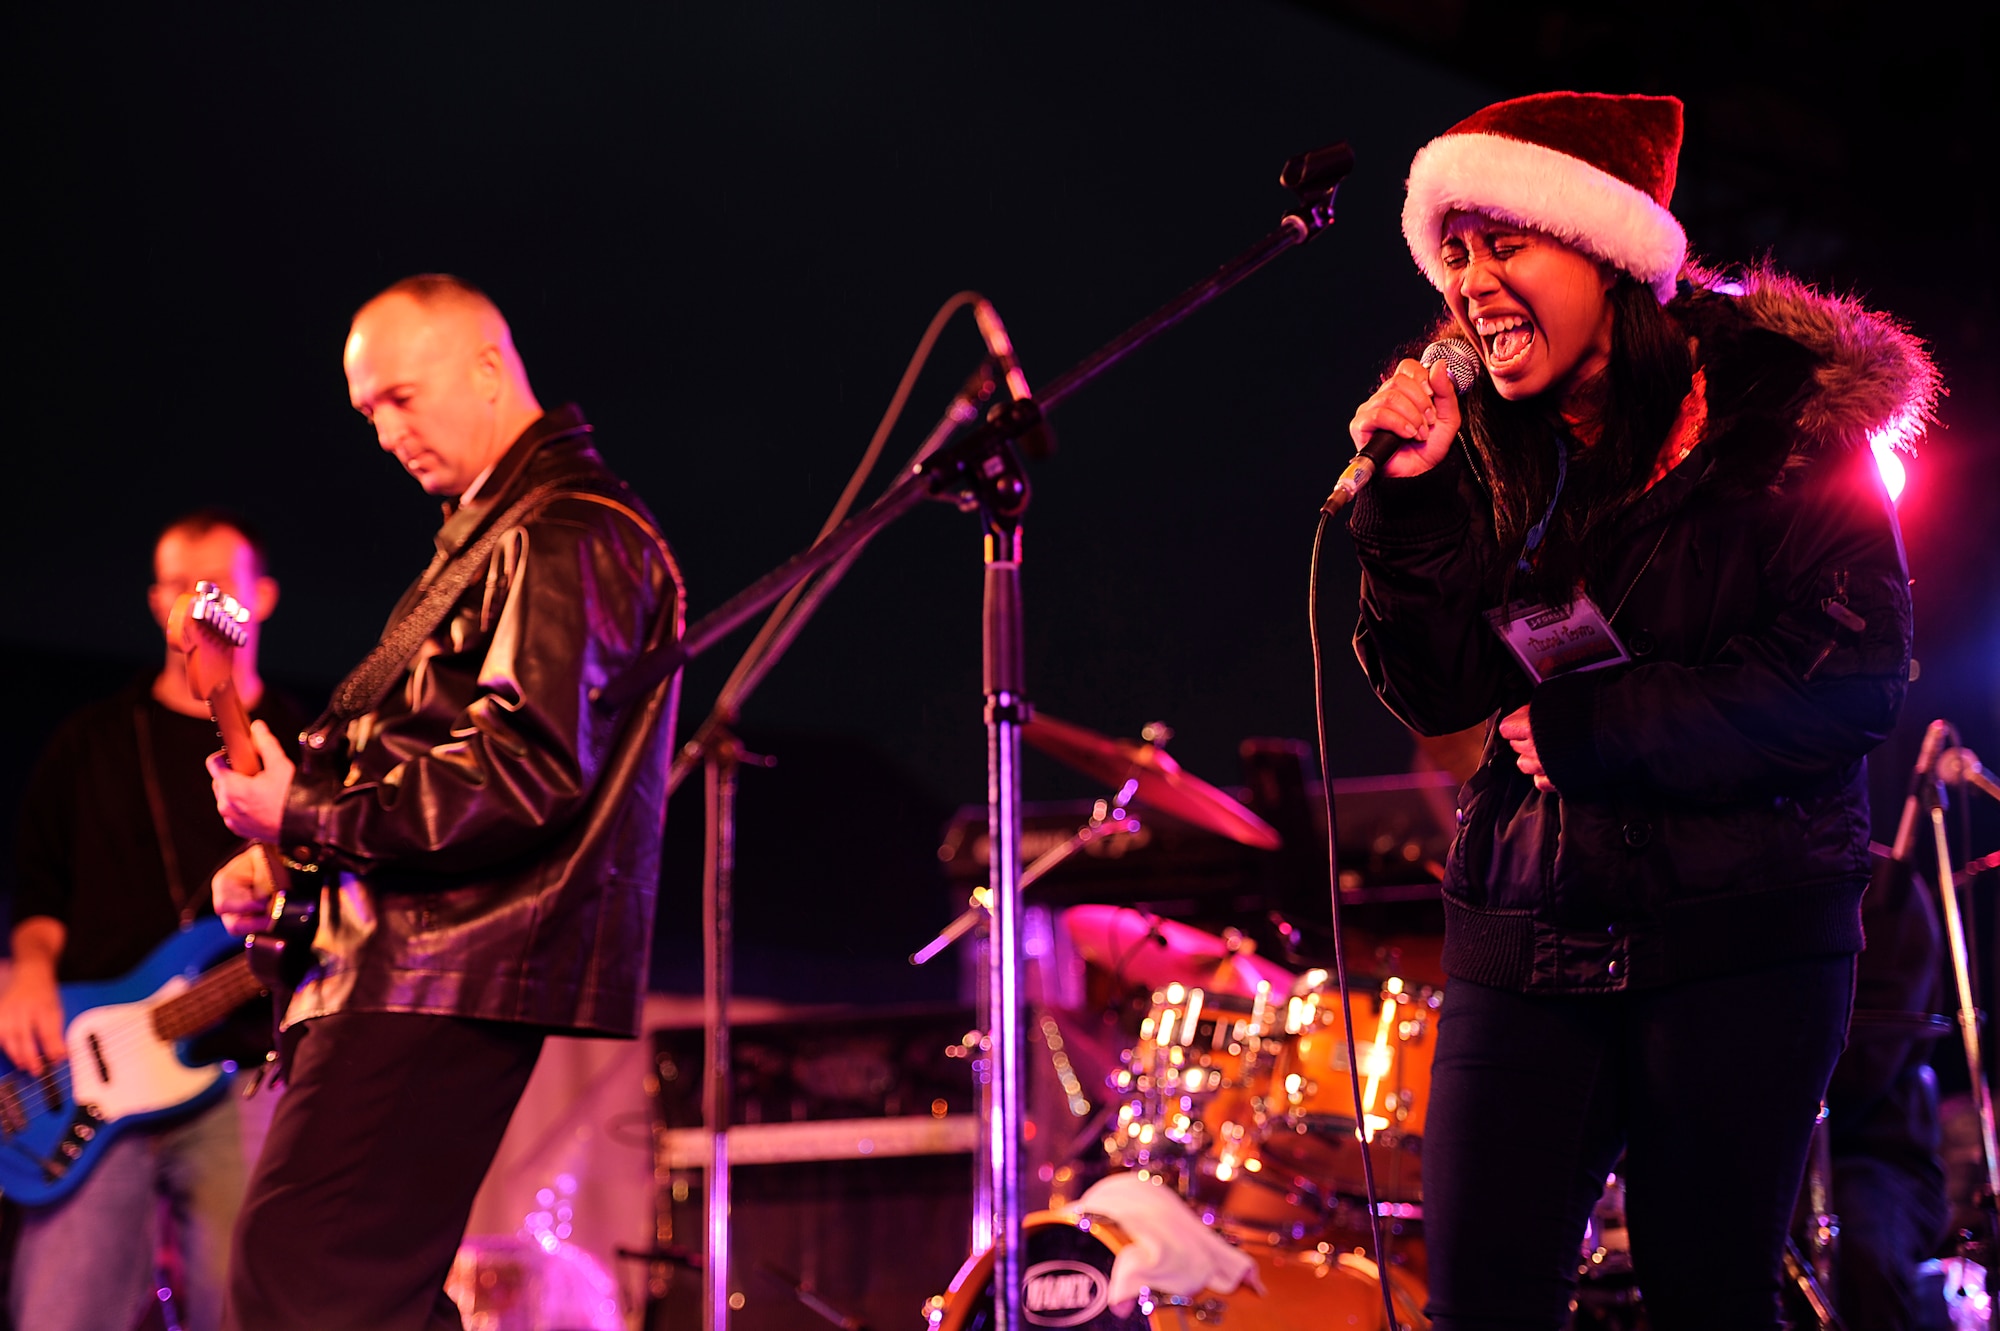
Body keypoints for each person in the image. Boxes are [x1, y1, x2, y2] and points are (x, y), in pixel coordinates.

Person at [1342, 92, 1934, 1328]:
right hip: (1527, 934)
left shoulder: (1781, 420)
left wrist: (1597, 732)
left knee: (1708, 1304)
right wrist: (1401, 509)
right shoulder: (1480, 441)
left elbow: (1850, 677)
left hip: (1743, 939)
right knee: (1480, 1306)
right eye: (1453, 253)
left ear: (1604, 249)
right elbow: (1437, 685)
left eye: (1506, 243)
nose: (1471, 282)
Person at [204, 274, 684, 1331]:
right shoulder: (500, 529)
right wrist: (297, 851)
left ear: (487, 365)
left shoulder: (565, 531)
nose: (384, 433)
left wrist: (307, 816)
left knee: (304, 1279)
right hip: (409, 956)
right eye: (368, 410)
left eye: (401, 397)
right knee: (348, 1286)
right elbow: (445, 750)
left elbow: (523, 769)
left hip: (441, 962)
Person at [3, 511, 296, 1331]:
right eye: (181, 585)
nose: (199, 603)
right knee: (59, 1309)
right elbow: (40, 886)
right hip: (85, 1066)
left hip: (242, 1065)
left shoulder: (304, 744)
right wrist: (27, 972)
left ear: (259, 599)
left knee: (250, 1305)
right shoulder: (91, 740)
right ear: (155, 600)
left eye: (219, 586)